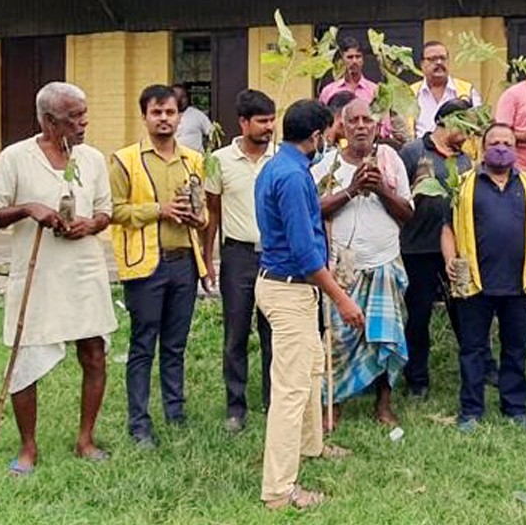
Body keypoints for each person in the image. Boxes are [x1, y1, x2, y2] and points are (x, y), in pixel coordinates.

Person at [0, 82, 117, 475]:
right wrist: (28, 209)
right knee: (26, 360)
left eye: (84, 112)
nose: (83, 121)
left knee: (94, 354)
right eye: (74, 116)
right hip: (38, 275)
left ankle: (85, 439)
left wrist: (91, 224)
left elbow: (106, 210)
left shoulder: (91, 158)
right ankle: (28, 448)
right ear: (47, 119)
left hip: (84, 271)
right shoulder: (16, 157)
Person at [254, 99, 365, 510]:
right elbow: (303, 253)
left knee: (312, 368)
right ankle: (280, 491)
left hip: (287, 286)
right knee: (290, 389)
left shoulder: (277, 167)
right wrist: (342, 298)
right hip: (290, 289)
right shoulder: (294, 177)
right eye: (329, 134)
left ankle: (309, 446)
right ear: (316, 136)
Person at [109, 84, 208, 448]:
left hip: (184, 263)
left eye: (170, 112)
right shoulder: (125, 160)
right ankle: (139, 423)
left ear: (180, 116)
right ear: (145, 116)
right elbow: (115, 211)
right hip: (146, 266)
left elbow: (204, 213)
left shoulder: (193, 160)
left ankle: (175, 412)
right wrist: (159, 210)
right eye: (157, 112)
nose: (164, 119)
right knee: (143, 344)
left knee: (175, 344)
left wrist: (196, 217)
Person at [312, 99, 413, 427]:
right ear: (342, 126)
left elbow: (408, 213)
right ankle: (335, 402)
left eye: (366, 120)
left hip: (385, 261)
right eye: (352, 120)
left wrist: (381, 188)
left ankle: (383, 406)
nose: (360, 126)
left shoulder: (390, 159)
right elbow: (315, 210)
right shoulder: (328, 165)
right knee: (339, 337)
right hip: (344, 267)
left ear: (376, 125)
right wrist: (353, 190)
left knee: (387, 335)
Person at [441, 123, 526, 432]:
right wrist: (450, 260)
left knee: (516, 347)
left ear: (516, 148)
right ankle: (471, 410)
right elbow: (447, 228)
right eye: (495, 142)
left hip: (520, 281)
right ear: (482, 147)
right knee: (472, 349)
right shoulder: (462, 184)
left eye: (507, 142)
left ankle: (515, 406)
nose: (501, 147)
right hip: (475, 280)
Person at [399, 98, 495, 397]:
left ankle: (484, 368)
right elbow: (398, 195)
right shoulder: (413, 152)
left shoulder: (464, 161)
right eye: (464, 124)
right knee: (419, 315)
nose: (469, 132)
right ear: (446, 121)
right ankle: (416, 378)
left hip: (455, 248)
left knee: (465, 310)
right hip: (418, 247)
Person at [201, 89, 276, 433]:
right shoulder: (219, 160)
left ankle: (274, 401)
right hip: (237, 256)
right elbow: (212, 213)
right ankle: (236, 406)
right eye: (261, 121)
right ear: (243, 123)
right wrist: (208, 259)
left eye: (272, 120)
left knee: (273, 331)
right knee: (235, 333)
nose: (269, 127)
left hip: (276, 257)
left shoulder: (280, 158)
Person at [407, 41, 482, 138]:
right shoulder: (410, 93)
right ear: (422, 64)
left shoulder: (467, 90)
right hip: (420, 151)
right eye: (433, 59)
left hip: (458, 151)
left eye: (442, 58)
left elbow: (479, 126)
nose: (439, 62)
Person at [319, 38, 378, 105]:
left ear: (363, 60)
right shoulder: (329, 91)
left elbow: (383, 115)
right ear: (342, 60)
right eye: (350, 57)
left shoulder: (374, 91)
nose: (354, 61)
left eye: (358, 57)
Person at [173, 84, 213, 153]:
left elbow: (212, 134)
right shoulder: (166, 116)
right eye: (177, 97)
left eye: (183, 97)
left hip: (196, 160)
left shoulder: (197, 115)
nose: (180, 100)